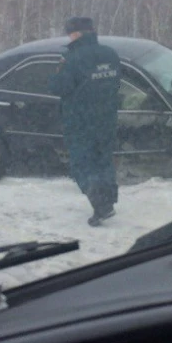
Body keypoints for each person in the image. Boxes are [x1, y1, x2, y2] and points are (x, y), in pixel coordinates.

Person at [48, 17, 122, 226]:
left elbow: (58, 87)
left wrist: (54, 77)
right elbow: (116, 83)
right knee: (103, 160)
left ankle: (102, 206)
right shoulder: (110, 53)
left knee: (83, 164)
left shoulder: (72, 58)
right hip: (107, 118)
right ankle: (108, 200)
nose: (69, 37)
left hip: (80, 120)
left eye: (70, 33)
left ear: (77, 34)